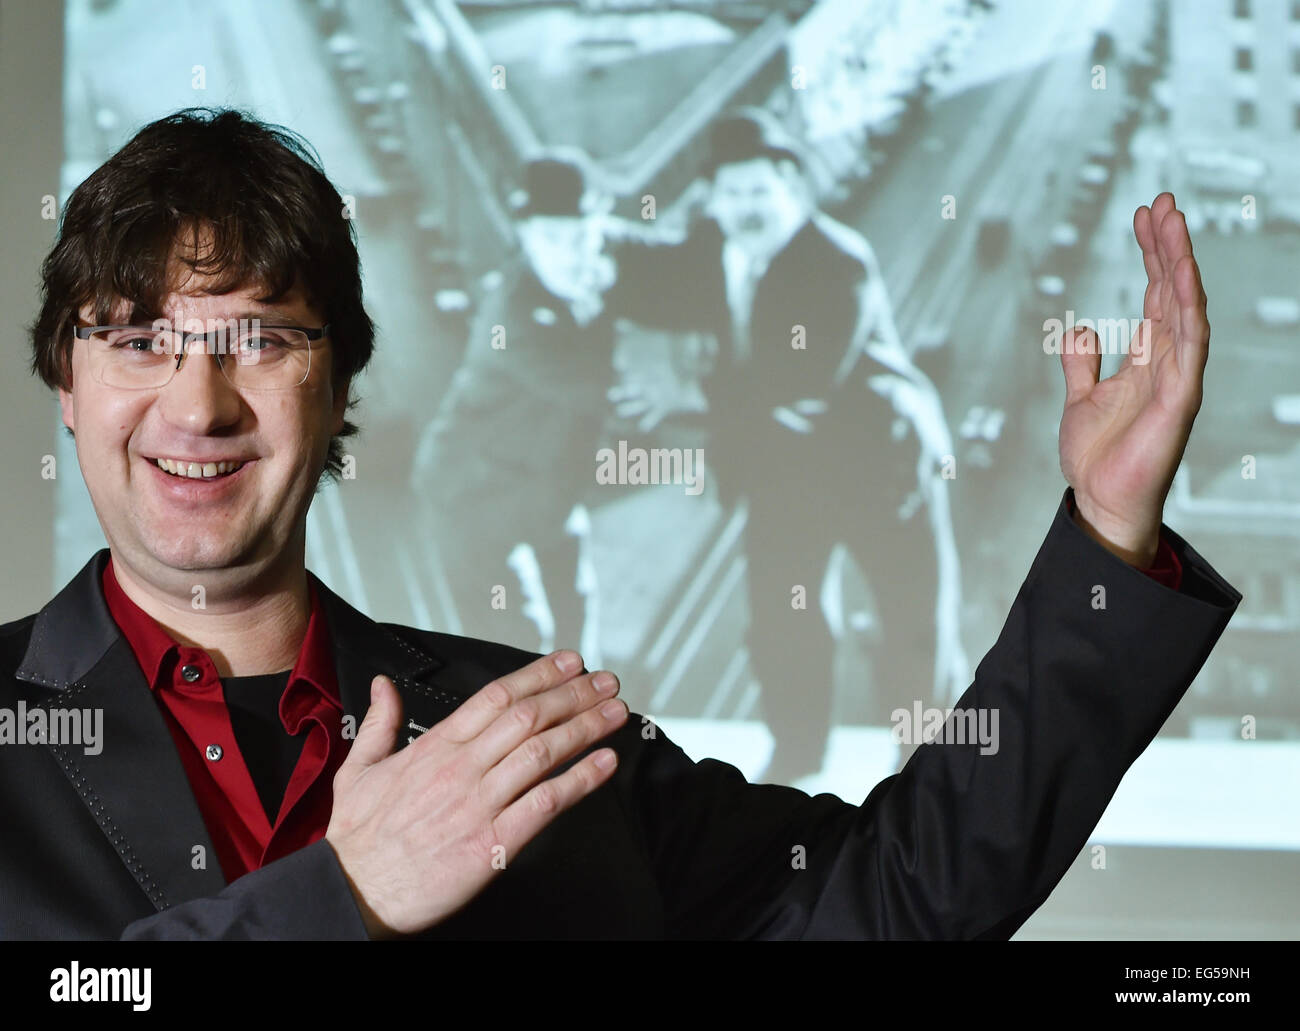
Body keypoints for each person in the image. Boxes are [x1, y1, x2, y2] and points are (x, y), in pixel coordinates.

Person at [3, 107, 1239, 939]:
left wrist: (1106, 541)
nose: (199, 402)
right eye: (139, 339)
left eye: (261, 338)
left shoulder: (526, 730)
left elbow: (890, 892)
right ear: (69, 381)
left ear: (337, 382)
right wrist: (345, 897)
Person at [606, 110, 968, 782]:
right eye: (730, 193)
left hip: (879, 461)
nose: (746, 210)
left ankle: (927, 768)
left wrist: (678, 404)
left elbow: (799, 382)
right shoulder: (716, 247)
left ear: (794, 189)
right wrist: (588, 231)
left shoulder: (837, 263)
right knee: (781, 619)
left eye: (759, 193)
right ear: (711, 199)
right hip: (782, 465)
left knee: (909, 620)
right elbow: (652, 275)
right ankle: (797, 756)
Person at [410, 152, 616, 662]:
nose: (566, 254)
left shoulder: (594, 278)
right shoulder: (515, 313)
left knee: (575, 617)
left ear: (600, 230)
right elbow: (601, 392)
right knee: (516, 643)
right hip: (473, 494)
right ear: (526, 239)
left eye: (578, 237)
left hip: (547, 478)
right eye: (550, 239)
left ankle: (583, 726)